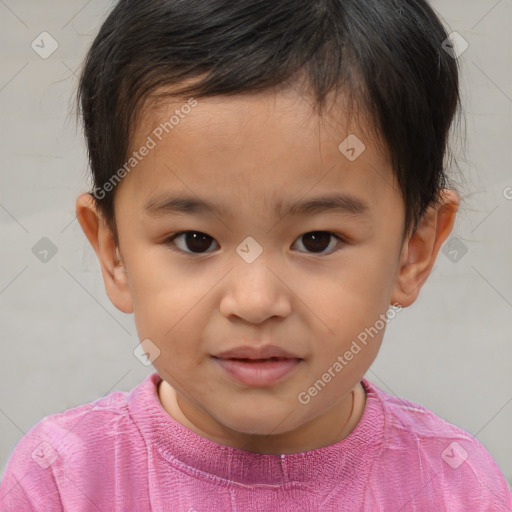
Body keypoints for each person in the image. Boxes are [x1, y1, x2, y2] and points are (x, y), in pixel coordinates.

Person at [1, 0, 511, 510]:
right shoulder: (62, 482)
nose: (255, 301)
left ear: (413, 251)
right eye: (195, 240)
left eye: (317, 240)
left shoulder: (455, 487)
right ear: (114, 252)